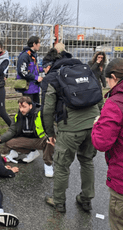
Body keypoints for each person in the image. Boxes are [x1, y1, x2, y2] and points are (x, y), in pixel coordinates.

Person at [41, 47, 100, 213]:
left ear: (51, 64)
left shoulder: (53, 77)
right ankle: (86, 199)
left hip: (71, 128)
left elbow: (47, 110)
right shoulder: (85, 70)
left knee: (61, 165)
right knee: (87, 160)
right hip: (93, 123)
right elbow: (98, 97)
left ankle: (59, 201)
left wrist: (50, 134)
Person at [92, 58, 123, 230]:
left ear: (113, 77)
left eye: (108, 81)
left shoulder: (115, 103)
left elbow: (101, 142)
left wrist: (97, 124)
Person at [0, 96, 54, 177]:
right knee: (8, 143)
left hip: (39, 139)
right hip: (27, 140)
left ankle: (48, 164)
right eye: (20, 107)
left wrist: (50, 136)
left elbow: (49, 127)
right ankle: (32, 152)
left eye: (24, 107)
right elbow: (12, 130)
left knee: (51, 139)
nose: (21, 109)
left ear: (30, 106)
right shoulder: (18, 116)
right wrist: (0, 139)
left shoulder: (40, 114)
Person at [16, 36, 44, 103]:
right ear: (34, 44)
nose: (40, 45)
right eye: (39, 43)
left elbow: (34, 69)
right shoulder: (25, 56)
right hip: (28, 89)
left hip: (35, 88)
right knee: (28, 109)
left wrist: (44, 69)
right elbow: (22, 71)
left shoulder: (33, 55)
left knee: (37, 108)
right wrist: (36, 77)